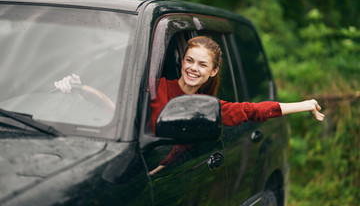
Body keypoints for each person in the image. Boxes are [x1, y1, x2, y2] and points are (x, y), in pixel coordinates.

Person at [55, 36, 325, 175]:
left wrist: (305, 104)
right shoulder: (157, 86)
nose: (193, 68)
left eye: (202, 64)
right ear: (182, 62)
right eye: (189, 60)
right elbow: (117, 110)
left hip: (159, 175)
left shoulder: (209, 107)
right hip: (125, 162)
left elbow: (252, 111)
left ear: (213, 71)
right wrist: (80, 90)